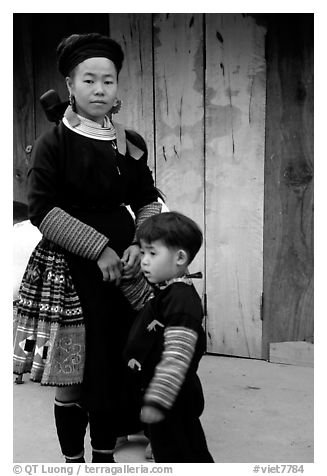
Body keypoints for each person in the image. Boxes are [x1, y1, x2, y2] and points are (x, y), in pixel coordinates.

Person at [13, 32, 163, 463]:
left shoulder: (128, 141)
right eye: (89, 80)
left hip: (126, 265)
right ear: (70, 85)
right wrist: (98, 249)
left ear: (118, 87)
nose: (100, 89)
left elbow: (146, 199)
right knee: (74, 370)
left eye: (109, 81)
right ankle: (72, 461)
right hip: (71, 268)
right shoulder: (54, 143)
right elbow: (42, 210)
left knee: (117, 361)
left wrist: (140, 243)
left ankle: (104, 455)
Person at [124, 211, 214, 462]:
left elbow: (178, 353)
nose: (144, 261)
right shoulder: (169, 290)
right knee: (171, 451)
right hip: (162, 396)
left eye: (152, 253)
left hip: (172, 400)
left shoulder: (181, 300)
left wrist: (159, 399)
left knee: (185, 454)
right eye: (142, 253)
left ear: (180, 258)